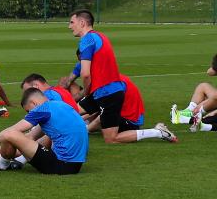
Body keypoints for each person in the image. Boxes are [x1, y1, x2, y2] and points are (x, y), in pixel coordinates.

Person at [61, 9, 176, 144]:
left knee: (111, 139)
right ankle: (44, 131)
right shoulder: (100, 36)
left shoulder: (87, 39)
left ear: (82, 23)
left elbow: (85, 74)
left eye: (72, 22)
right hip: (103, 91)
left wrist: (86, 93)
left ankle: (157, 132)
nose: (69, 26)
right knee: (68, 111)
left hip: (108, 94)